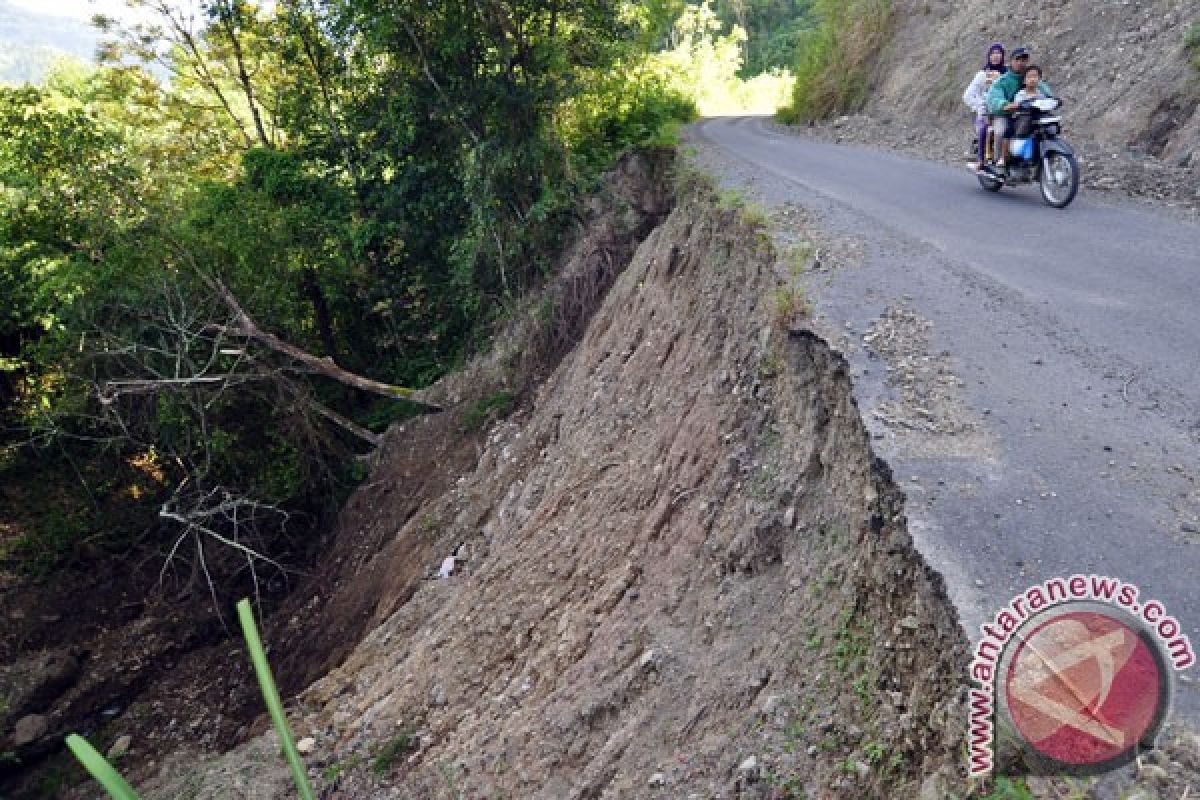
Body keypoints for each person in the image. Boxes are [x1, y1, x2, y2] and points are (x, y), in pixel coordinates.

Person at [986, 47, 1053, 168]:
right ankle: (999, 161)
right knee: (1002, 131)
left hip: (1029, 114)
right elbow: (993, 97)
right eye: (1017, 59)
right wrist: (1004, 104)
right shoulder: (1003, 80)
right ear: (1011, 61)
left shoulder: (1031, 77)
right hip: (1006, 114)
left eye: (1024, 60)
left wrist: (1052, 99)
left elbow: (1045, 91)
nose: (1020, 62)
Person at [962, 43, 1007, 170]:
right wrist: (980, 106)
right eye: (993, 53)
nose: (996, 56)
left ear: (1003, 55)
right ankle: (981, 160)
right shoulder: (982, 74)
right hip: (986, 113)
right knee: (985, 129)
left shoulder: (1007, 73)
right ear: (989, 56)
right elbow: (968, 95)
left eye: (999, 53)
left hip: (1004, 111)